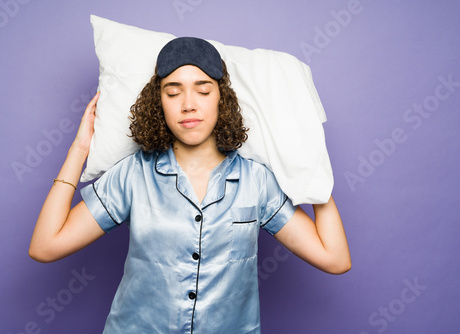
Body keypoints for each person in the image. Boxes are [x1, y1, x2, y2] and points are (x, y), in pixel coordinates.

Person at [29, 37, 351, 333]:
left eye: (203, 90)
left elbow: (335, 259)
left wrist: (312, 166)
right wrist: (79, 150)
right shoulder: (133, 175)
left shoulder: (257, 181)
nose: (188, 104)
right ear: (159, 102)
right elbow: (45, 246)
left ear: (221, 98)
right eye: (173, 91)